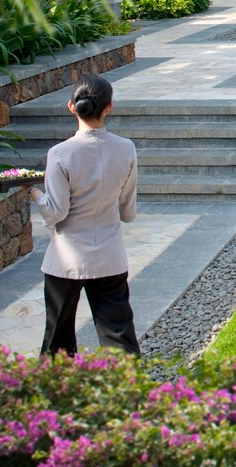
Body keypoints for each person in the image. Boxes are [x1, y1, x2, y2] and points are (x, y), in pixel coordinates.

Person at [28, 74, 140, 356]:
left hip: (67, 259)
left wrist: (34, 193)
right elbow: (128, 211)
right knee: (119, 335)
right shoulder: (126, 148)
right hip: (109, 255)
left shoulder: (60, 153)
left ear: (71, 107)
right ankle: (132, 394)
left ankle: (58, 394)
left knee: (58, 339)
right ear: (109, 107)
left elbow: (57, 211)